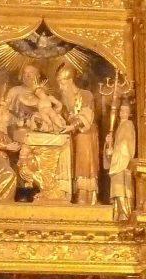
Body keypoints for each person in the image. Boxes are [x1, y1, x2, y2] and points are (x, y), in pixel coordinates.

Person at [56, 64, 100, 204]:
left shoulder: (86, 95)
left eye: (62, 83)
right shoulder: (63, 99)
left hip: (85, 135)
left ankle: (84, 194)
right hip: (70, 137)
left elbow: (86, 114)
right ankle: (67, 192)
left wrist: (72, 126)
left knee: (84, 163)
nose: (61, 87)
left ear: (70, 81)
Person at [104, 104, 136, 220]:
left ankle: (124, 212)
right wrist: (108, 143)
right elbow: (116, 145)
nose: (122, 112)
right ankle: (118, 211)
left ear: (129, 113)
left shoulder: (128, 124)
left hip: (122, 161)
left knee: (121, 187)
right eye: (121, 110)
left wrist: (114, 150)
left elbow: (125, 144)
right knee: (117, 188)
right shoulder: (119, 126)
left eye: (125, 110)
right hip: (117, 160)